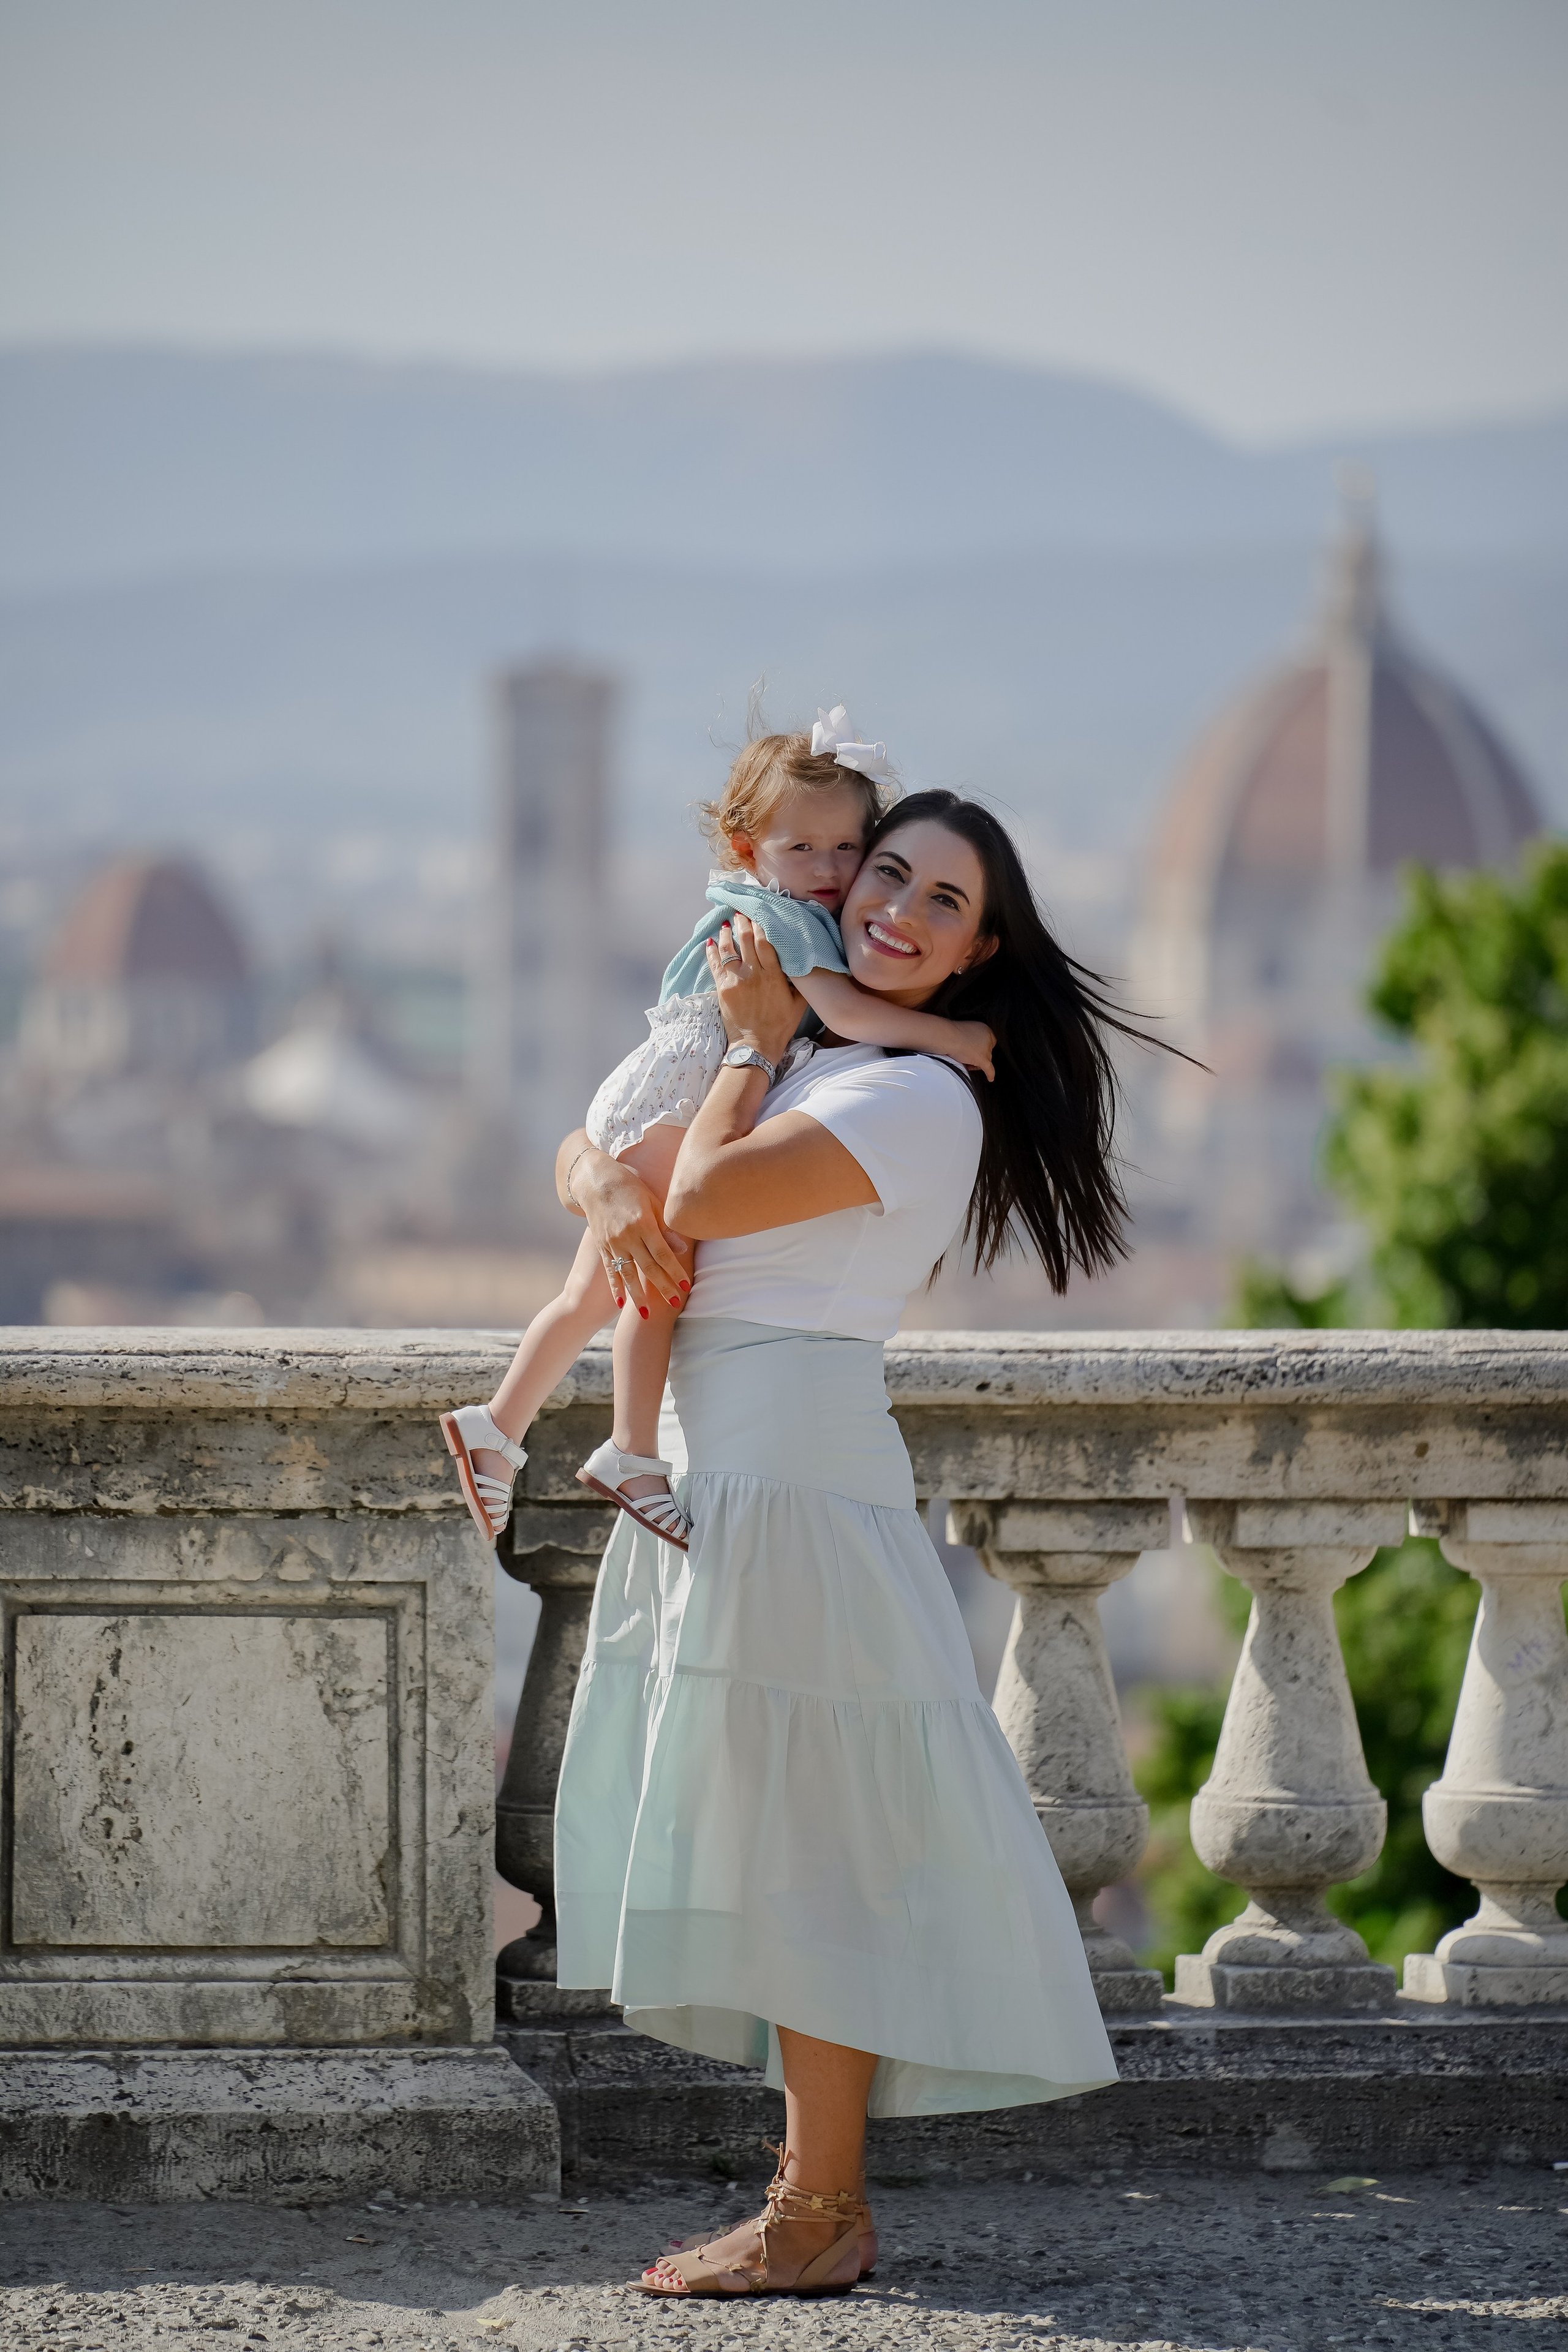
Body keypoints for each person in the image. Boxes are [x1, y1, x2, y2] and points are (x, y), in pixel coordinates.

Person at [548, 789, 1158, 2299]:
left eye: (940, 901)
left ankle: (818, 2210)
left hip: (795, 1489)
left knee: (814, 1854)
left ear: (979, 948)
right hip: (730, 1475)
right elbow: (609, 1152)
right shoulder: (830, 1054)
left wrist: (745, 1053)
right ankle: (809, 2205)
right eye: (884, 873)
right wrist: (600, 1170)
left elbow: (692, 1194)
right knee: (777, 1845)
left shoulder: (911, 1100)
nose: (895, 908)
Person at [439, 710, 993, 1549]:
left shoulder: (886, 1080)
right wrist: (952, 1036)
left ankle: (497, 1427)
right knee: (659, 1279)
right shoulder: (788, 927)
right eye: (806, 850)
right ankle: (629, 1451)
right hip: (677, 1090)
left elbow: (591, 1153)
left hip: (653, 1091)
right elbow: (836, 1010)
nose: (832, 872)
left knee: (593, 1292)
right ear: (746, 846)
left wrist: (600, 1164)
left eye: (848, 850)